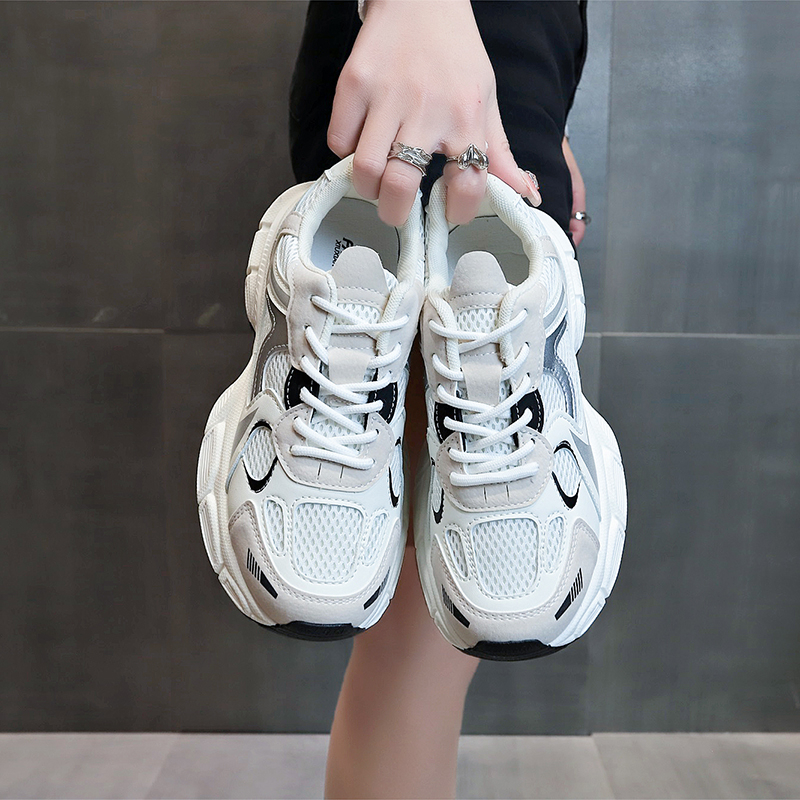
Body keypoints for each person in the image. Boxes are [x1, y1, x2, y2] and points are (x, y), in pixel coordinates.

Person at [287, 2, 591, 797]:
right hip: (426, 63)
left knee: (429, 638)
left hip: (499, 85)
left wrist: (544, 109)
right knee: (424, 640)